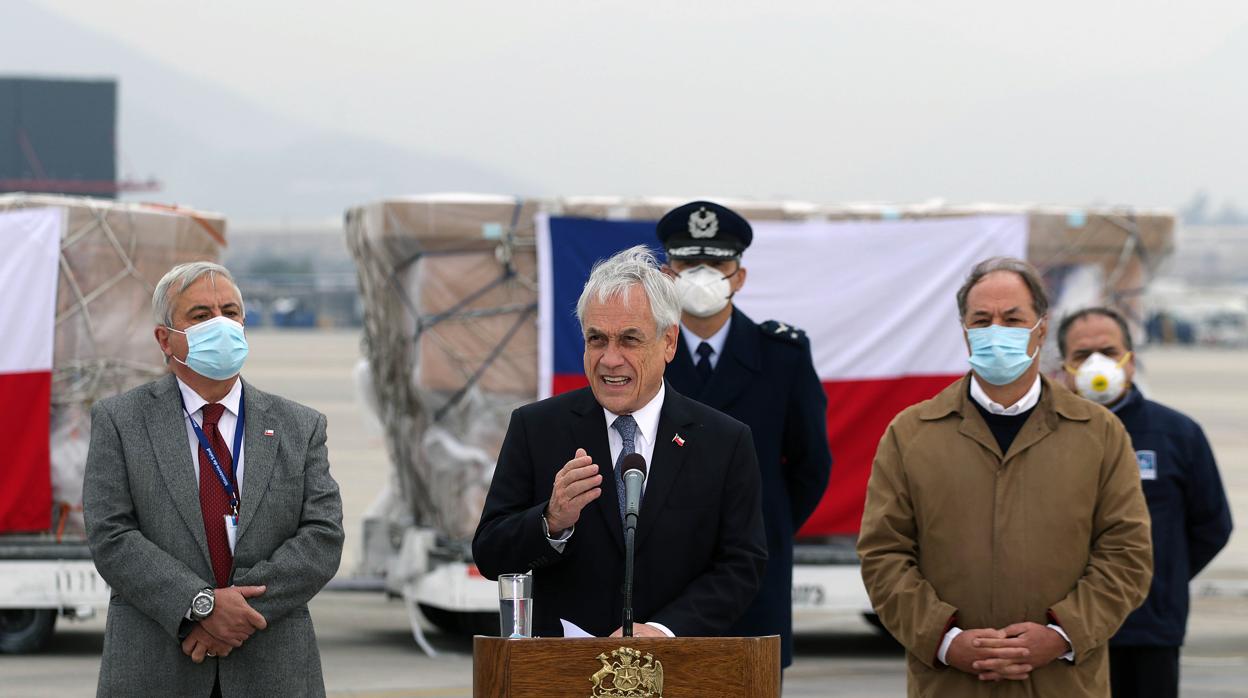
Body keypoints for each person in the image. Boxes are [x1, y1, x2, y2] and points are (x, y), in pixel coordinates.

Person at [856, 256, 1153, 696]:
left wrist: (1060, 635)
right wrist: (945, 640)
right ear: (964, 330)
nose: (997, 330)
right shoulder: (912, 433)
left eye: (1013, 318)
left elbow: (1126, 554)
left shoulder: (1099, 433)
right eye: (982, 319)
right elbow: (884, 553)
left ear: (1041, 327)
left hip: (1062, 683)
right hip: (951, 683)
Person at [472, 245, 768, 639]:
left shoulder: (723, 441)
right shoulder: (537, 428)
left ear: (668, 342)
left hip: (679, 670)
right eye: (596, 339)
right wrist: (550, 521)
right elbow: (490, 553)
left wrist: (664, 631)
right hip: (565, 673)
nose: (610, 359)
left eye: (629, 339)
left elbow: (741, 565)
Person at [84, 262, 344, 697]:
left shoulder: (300, 426)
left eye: (231, 312)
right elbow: (111, 535)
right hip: (157, 667)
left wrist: (236, 615)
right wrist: (198, 605)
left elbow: (323, 536)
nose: (221, 325)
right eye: (201, 316)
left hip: (272, 669)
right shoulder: (120, 421)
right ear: (165, 339)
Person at [656, 200, 832, 668]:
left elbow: (810, 466)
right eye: (689, 263)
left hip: (753, 584)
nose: (702, 275)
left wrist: (760, 533)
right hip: (661, 584)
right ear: (666, 273)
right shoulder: (642, 355)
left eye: (716, 264)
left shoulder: (783, 356)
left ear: (740, 276)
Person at [1058, 306, 1233, 698]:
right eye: (1082, 355)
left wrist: (1159, 579)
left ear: (1130, 362)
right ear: (1064, 367)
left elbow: (1213, 525)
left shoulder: (1178, 433)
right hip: (1062, 634)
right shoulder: (1045, 435)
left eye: (1108, 350)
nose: (1096, 363)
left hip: (1149, 632)